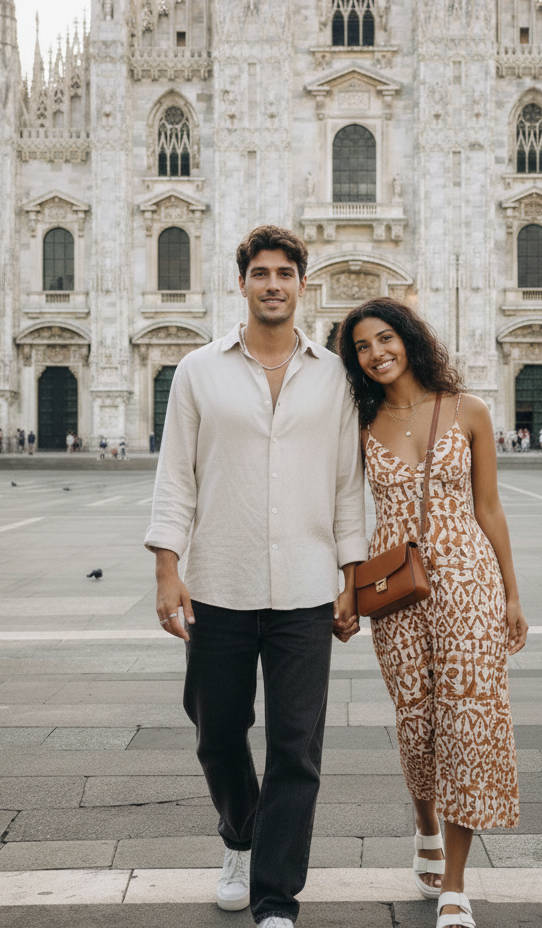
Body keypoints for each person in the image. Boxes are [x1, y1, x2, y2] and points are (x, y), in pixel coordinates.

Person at [144, 224, 367, 928]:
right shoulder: (198, 370)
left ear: (303, 285)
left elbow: (346, 487)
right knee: (216, 733)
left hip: (305, 587)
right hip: (218, 582)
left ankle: (276, 898)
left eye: (286, 274)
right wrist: (166, 571)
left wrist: (351, 581)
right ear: (242, 282)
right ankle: (240, 833)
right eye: (261, 273)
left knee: (296, 748)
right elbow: (175, 476)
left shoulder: (333, 377)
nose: (274, 284)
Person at [338, 298, 527, 928]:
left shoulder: (469, 409)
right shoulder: (358, 425)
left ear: (409, 339)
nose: (376, 353)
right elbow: (340, 512)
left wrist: (512, 593)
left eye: (385, 338)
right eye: (362, 346)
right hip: (396, 588)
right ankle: (424, 823)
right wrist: (343, 588)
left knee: (470, 719)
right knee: (416, 720)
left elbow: (491, 508)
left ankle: (455, 884)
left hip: (469, 581)